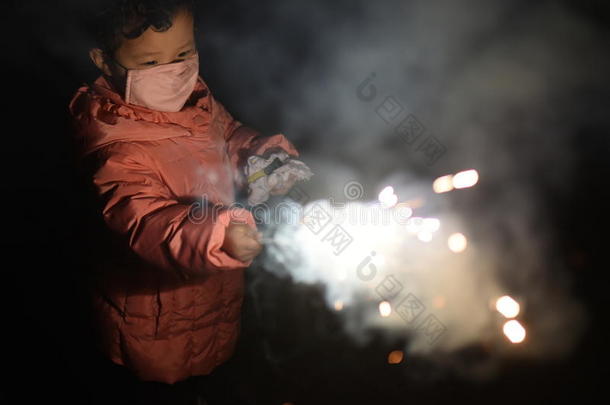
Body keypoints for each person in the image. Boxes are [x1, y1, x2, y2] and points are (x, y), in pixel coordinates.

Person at [67, 1, 309, 403]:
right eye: (150, 61)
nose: (175, 71)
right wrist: (216, 237)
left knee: (214, 377)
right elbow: (144, 222)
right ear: (104, 61)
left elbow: (230, 136)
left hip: (217, 302)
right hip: (152, 328)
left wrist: (265, 162)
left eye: (182, 54)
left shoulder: (197, 101)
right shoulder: (117, 148)